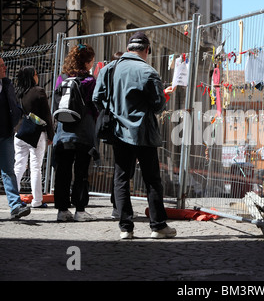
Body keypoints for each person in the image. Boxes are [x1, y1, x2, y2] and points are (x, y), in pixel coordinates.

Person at [93, 32, 176, 239]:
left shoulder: (109, 69)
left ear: (128, 48)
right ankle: (158, 226)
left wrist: (115, 110)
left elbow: (97, 98)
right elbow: (158, 105)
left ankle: (125, 228)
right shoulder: (148, 71)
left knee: (121, 178)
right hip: (143, 133)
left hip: (118, 131)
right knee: (152, 180)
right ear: (147, 50)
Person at [52, 44, 98, 222]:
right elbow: (94, 107)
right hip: (83, 132)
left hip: (63, 131)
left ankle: (62, 210)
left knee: (63, 171)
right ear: (86, 62)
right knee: (81, 171)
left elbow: (55, 104)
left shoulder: (61, 78)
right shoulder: (89, 81)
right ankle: (80, 210)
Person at [14, 66, 54, 208]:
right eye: (36, 74)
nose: (37, 77)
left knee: (19, 165)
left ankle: (13, 198)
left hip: (19, 132)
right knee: (35, 166)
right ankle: (37, 200)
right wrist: (51, 133)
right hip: (36, 132)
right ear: (32, 76)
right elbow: (47, 115)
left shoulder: (17, 93)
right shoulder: (38, 92)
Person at [0, 57, 31, 219]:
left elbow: (13, 104)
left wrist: (17, 113)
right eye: (1, 66)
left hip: (5, 135)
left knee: (8, 171)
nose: (5, 68)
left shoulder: (7, 84)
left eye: (4, 65)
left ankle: (15, 205)